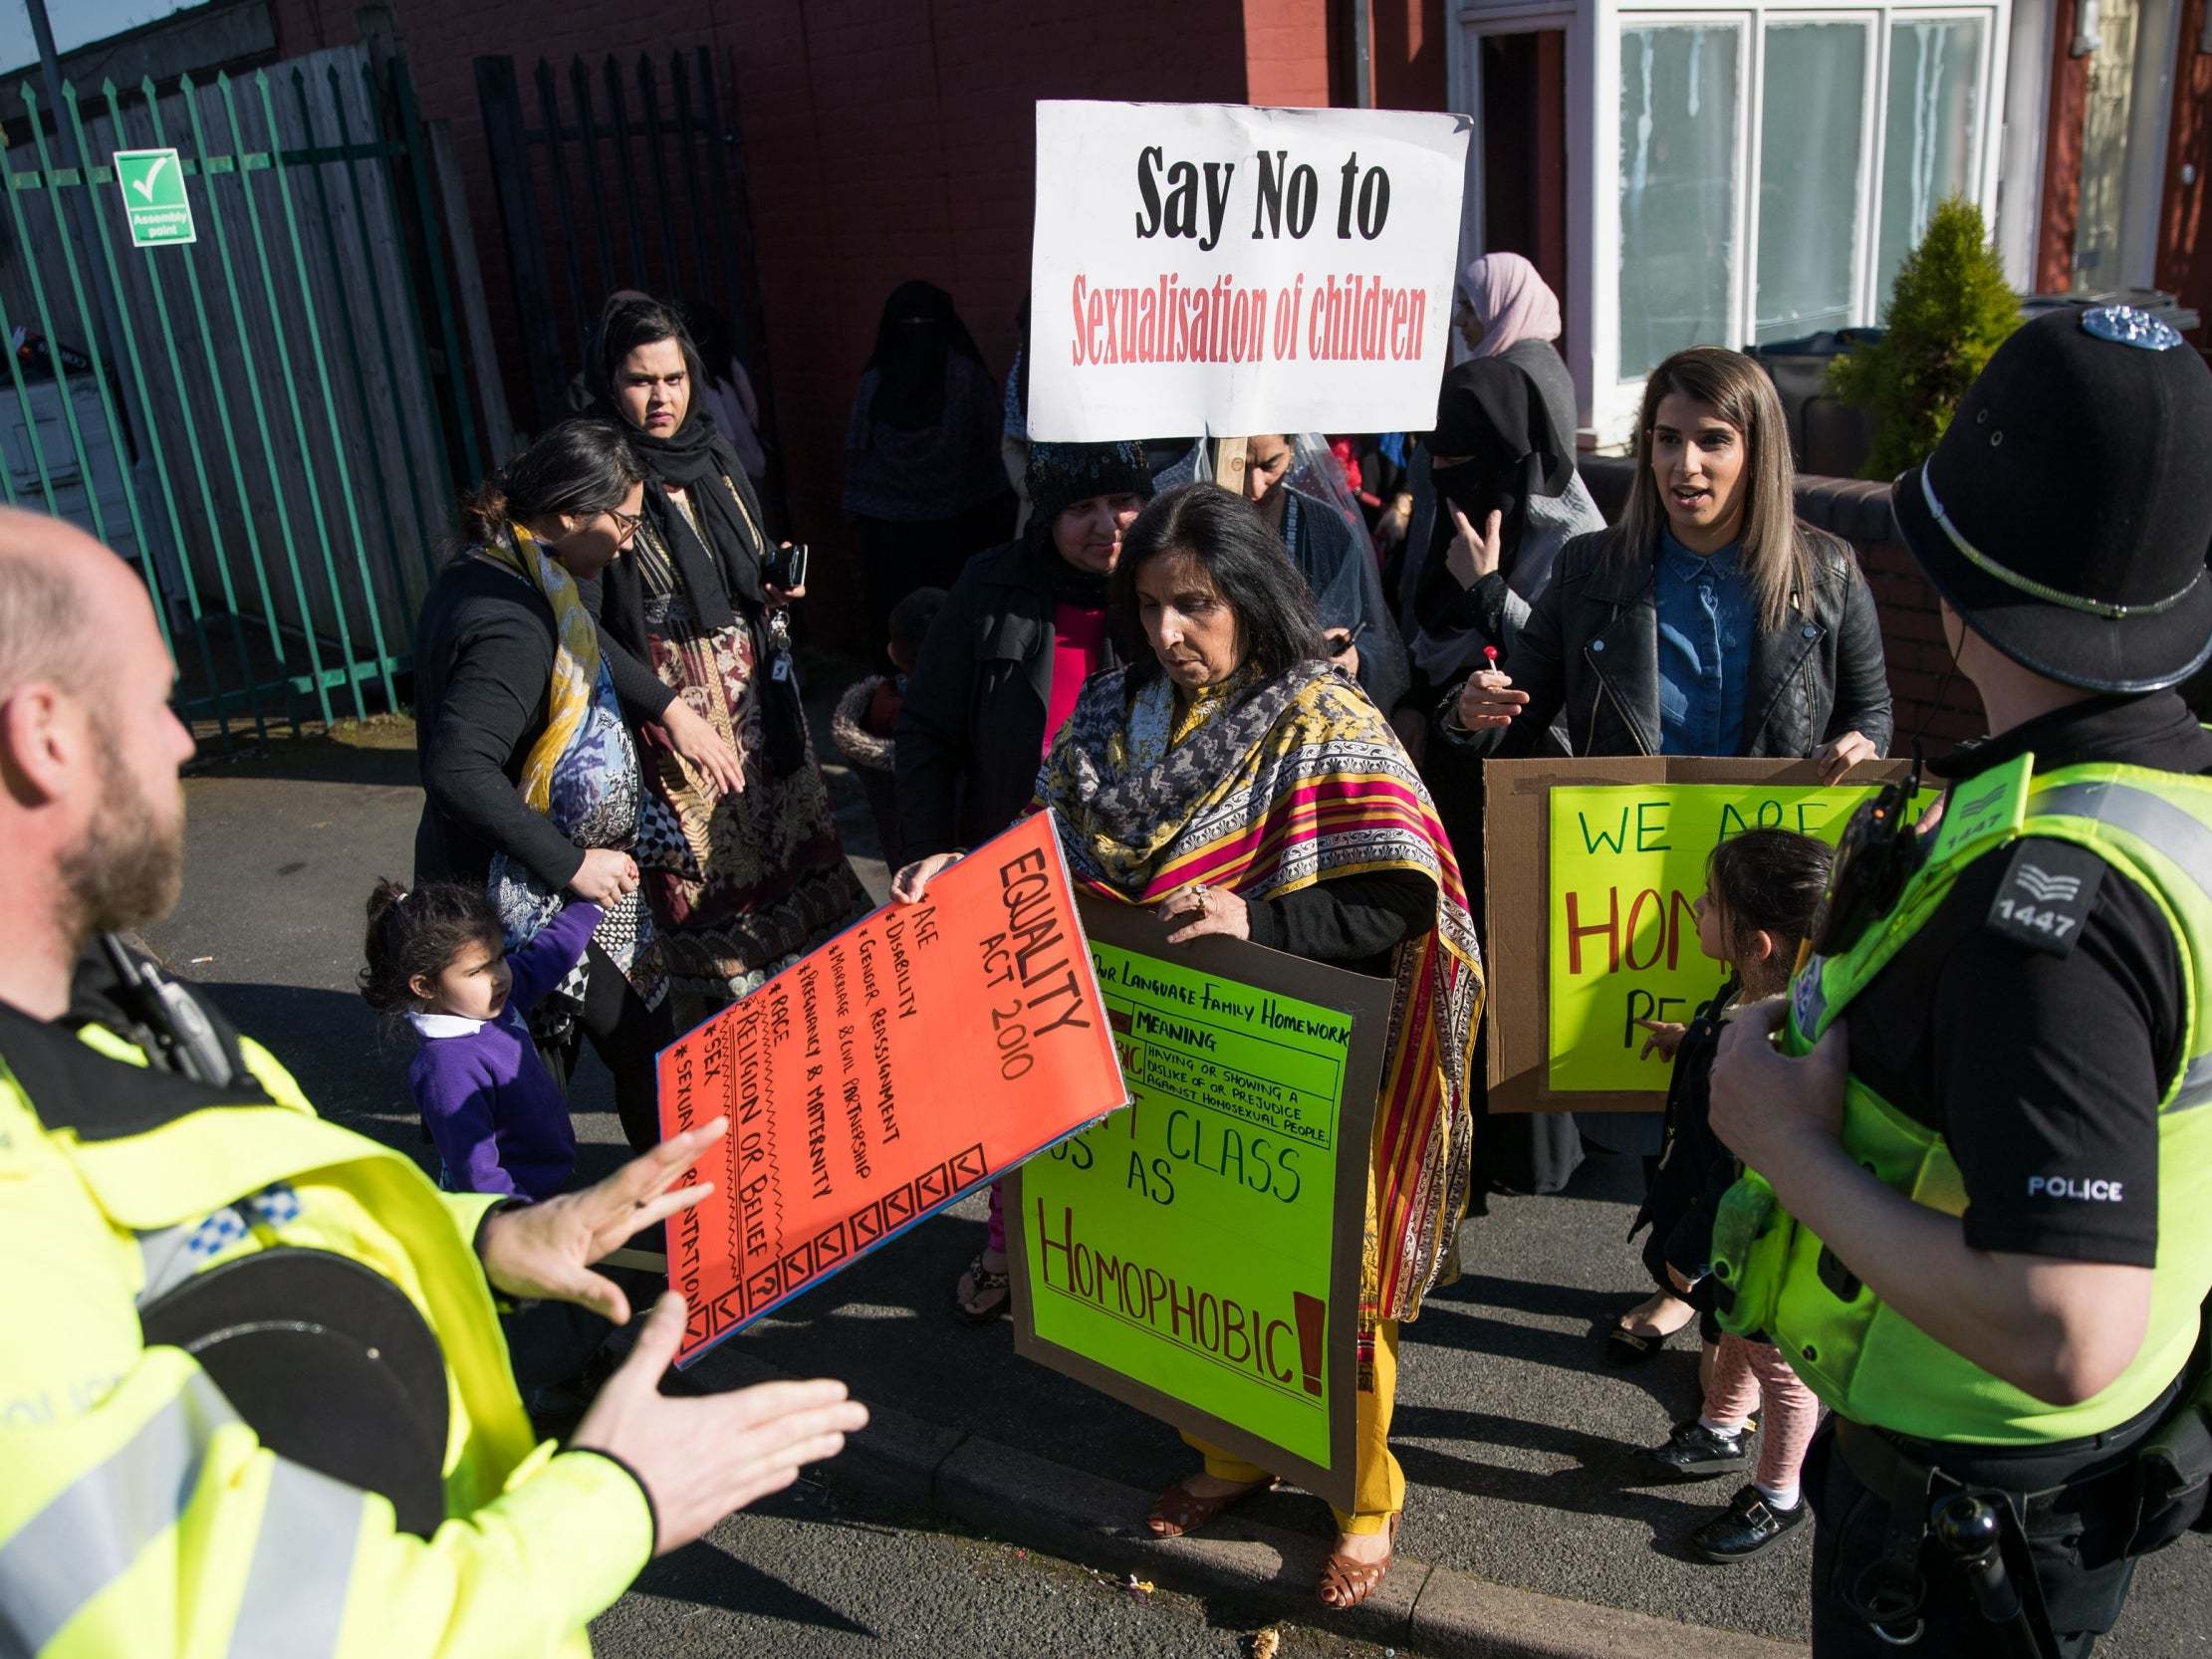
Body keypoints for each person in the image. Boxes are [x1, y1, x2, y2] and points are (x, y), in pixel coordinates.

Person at [0, 508, 867, 1658]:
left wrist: (490, 1238)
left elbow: (244, 1237)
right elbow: (225, 1630)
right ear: (47, 736)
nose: (183, 744)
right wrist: (617, 1499)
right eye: (155, 702)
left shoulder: (120, 995)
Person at [1705, 307, 2212, 1656]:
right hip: (2070, 1484)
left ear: (1951, 582)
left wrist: (1776, 1134)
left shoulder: (2050, 906)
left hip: (1964, 1513)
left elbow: (2065, 1325)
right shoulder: (2168, 792)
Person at [897, 483, 1484, 1607]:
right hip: (1148, 1052)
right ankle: (1230, 1457)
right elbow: (1049, 861)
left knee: (1327, 1303)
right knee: (1184, 1275)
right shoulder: (1110, 715)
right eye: (1151, 606)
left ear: (1250, 598)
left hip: (1291, 1068)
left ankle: (1365, 1497)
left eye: (1196, 604)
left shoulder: (1325, 720)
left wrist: (1257, 919)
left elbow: (1399, 903)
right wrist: (959, 874)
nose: (1170, 632)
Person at [1444, 343, 1893, 1365]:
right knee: (1668, 1090)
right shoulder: (1592, 568)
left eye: (1711, 441)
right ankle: (1683, 1282)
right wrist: (1475, 708)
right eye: (1665, 440)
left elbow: (1869, 703)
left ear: (1754, 450)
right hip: (1639, 881)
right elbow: (1520, 714)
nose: (1685, 464)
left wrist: (1860, 742)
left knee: (1762, 1086)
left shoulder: (1825, 570)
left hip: (1772, 887)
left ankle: (1752, 1309)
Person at [893, 438, 1155, 1319]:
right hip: (1006, 872)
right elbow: (927, 732)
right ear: (1047, 513)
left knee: (1123, 1075)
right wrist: (924, 852)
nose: (1106, 526)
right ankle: (1009, 1246)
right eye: (1082, 507)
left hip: (1131, 881)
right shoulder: (990, 586)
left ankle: (1116, 1252)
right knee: (1016, 1072)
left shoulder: (1172, 587)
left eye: (1123, 501)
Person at [587, 296, 867, 1020]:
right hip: (671, 714)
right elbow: (582, 630)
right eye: (640, 381)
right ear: (609, 384)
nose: (660, 398)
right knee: (703, 876)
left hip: (757, 700)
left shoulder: (711, 452)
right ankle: (730, 1039)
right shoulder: (594, 475)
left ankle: (818, 1020)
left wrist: (773, 575)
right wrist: (668, 712)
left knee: (792, 852)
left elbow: (740, 558)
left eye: (674, 379)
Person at [412, 420, 682, 1153]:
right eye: (623, 521)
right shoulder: (514, 624)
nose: (629, 541)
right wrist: (571, 863)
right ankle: (543, 1237)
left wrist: (670, 707)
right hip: (521, 889)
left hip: (544, 879)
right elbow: (457, 768)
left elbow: (590, 650)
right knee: (574, 1066)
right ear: (569, 514)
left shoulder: (523, 572)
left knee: (616, 1047)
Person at [1633, 830, 1833, 1562]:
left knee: (1776, 1364)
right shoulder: (1750, 999)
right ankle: (1720, 1427)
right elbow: (1720, 1041)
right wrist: (1685, 1038)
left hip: (1758, 1235)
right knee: (1731, 1332)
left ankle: (1779, 1496)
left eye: (1708, 902)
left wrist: (1693, 1244)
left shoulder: (1783, 1041)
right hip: (1729, 1226)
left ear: (1753, 941)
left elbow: (1743, 1171)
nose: (1693, 908)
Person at [1399, 256, 1605, 700]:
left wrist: (1486, 588)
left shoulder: (1573, 546)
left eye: (1470, 307)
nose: (1460, 321)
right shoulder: (1465, 518)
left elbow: (1561, 658)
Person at [361, 878, 602, 1202]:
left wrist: (593, 904)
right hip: (517, 1209)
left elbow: (544, 959)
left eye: (499, 957)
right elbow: (477, 1172)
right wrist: (517, 1222)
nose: (500, 976)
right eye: (477, 971)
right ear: (425, 986)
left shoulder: (485, 1001)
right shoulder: (448, 1069)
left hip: (544, 1184)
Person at [844, 279, 1017, 638]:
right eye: (910, 327)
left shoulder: (876, 380)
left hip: (893, 534)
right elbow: (993, 439)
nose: (917, 336)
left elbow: (857, 451)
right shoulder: (965, 375)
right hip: (959, 529)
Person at [1240, 431, 1412, 718]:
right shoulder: (1186, 522)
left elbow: (1371, 635)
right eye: (1240, 466)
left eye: (1270, 465)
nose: (1255, 487)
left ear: (1293, 448)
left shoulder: (1326, 530)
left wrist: (1353, 657)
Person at [832, 585, 949, 872]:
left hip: (899, 851)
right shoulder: (939, 722)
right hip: (943, 855)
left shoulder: (878, 704)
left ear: (892, 653)